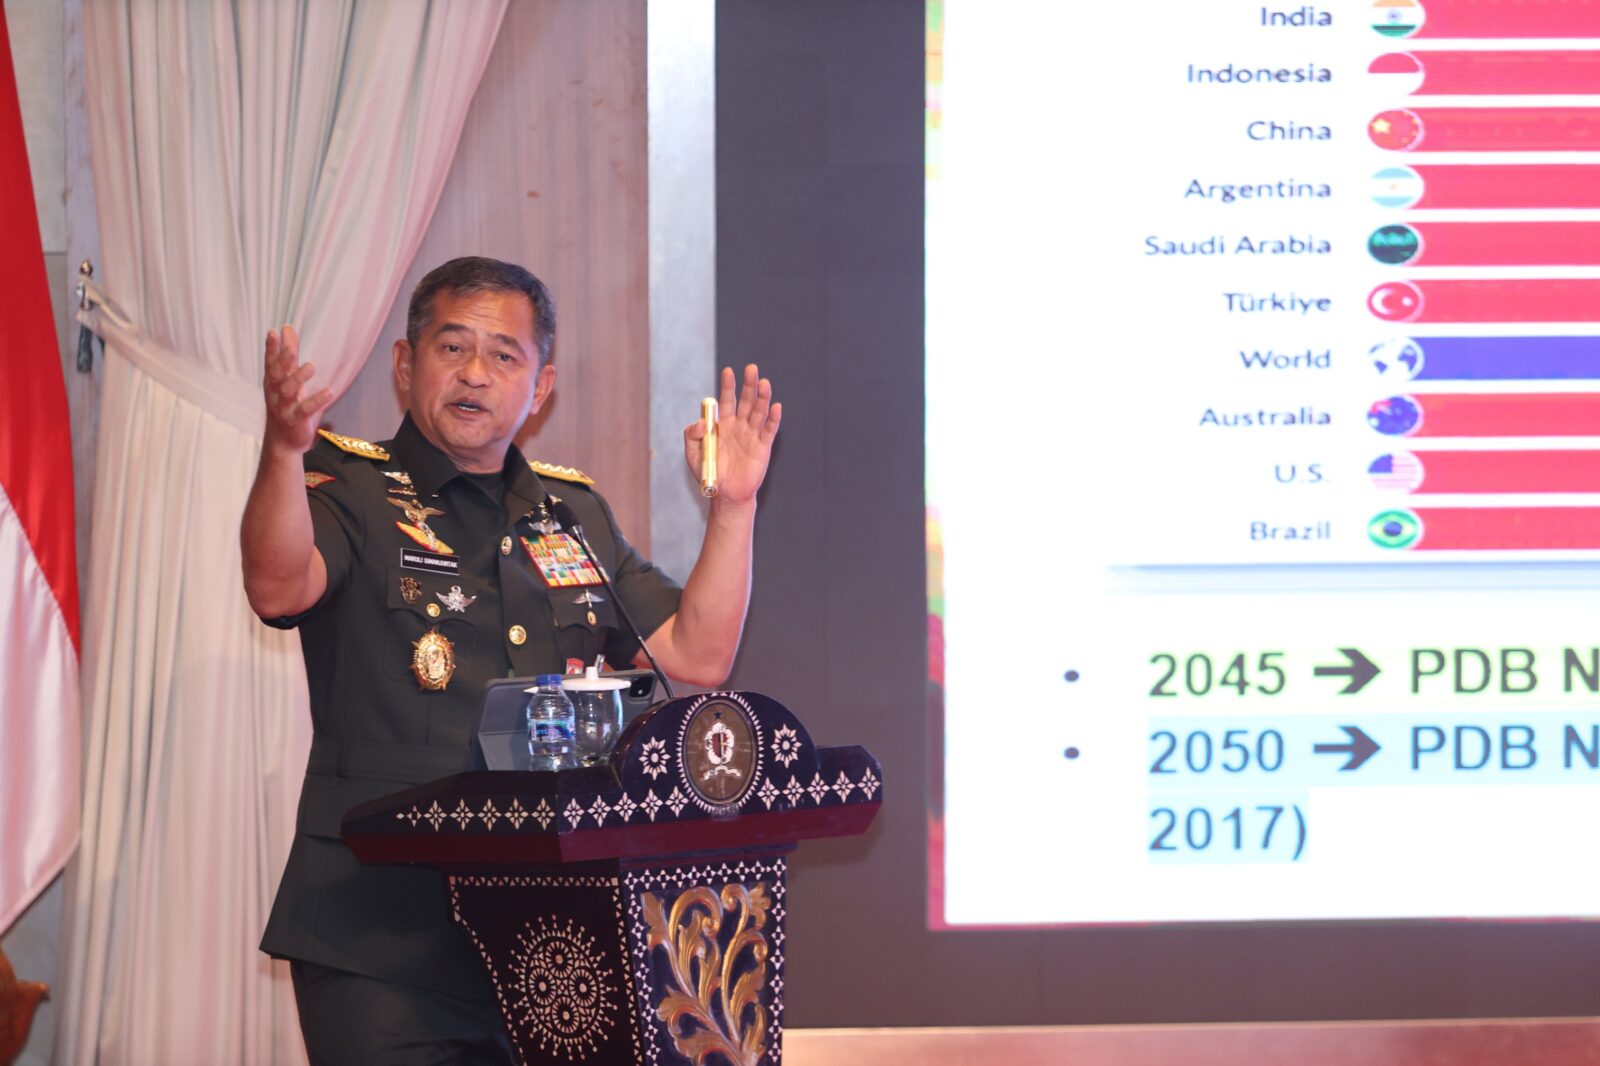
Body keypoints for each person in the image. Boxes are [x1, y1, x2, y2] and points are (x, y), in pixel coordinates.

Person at [241, 256, 780, 1064]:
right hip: (380, 937)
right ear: (405, 364)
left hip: (553, 940)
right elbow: (277, 585)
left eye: (504, 356)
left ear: (541, 387)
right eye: (452, 347)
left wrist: (733, 507)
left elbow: (698, 655)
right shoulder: (351, 488)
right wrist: (284, 452)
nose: (475, 374)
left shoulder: (571, 514)